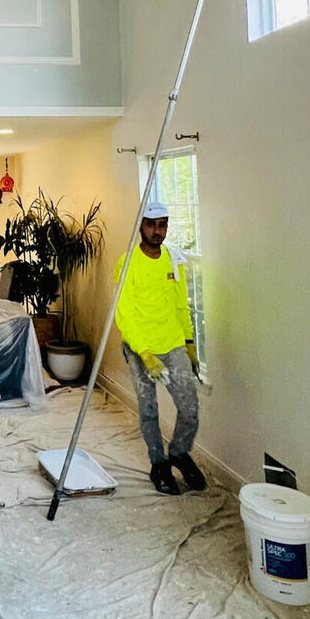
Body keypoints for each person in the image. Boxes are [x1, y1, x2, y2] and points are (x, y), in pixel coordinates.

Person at [113, 200, 207, 495]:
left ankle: (179, 452)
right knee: (149, 409)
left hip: (172, 343)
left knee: (189, 408)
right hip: (140, 348)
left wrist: (190, 342)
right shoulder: (127, 263)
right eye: (152, 225)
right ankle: (158, 463)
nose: (157, 231)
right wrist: (144, 353)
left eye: (162, 224)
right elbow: (124, 313)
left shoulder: (174, 259)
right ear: (141, 226)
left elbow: (181, 304)